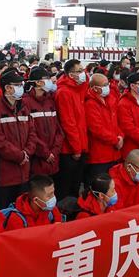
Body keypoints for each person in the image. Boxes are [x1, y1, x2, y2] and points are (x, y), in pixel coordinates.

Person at [0, 70, 38, 209]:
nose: (21, 87)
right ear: (7, 87)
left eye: (22, 84)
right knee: (4, 210)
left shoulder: (24, 108)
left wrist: (27, 152)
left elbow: (32, 132)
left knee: (22, 209)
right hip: (3, 174)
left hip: (23, 172)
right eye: (18, 84)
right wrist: (19, 156)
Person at [54, 60, 89, 199]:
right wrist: (76, 148)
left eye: (83, 70)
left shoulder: (78, 89)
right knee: (66, 186)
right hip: (70, 149)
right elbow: (68, 122)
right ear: (70, 74)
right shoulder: (64, 92)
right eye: (79, 71)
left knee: (75, 185)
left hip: (80, 145)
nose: (83, 74)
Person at [25, 68, 63, 178]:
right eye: (47, 79)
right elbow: (28, 132)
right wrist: (45, 153)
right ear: (37, 82)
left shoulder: (50, 101)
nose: (50, 82)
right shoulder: (25, 102)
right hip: (36, 159)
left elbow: (58, 129)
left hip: (53, 158)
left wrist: (55, 151)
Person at [84, 73, 122, 180]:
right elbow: (97, 129)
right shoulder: (90, 104)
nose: (107, 87)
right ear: (95, 88)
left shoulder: (111, 99)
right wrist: (115, 140)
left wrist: (120, 136)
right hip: (99, 155)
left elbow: (117, 122)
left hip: (114, 152)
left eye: (108, 84)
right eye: (104, 85)